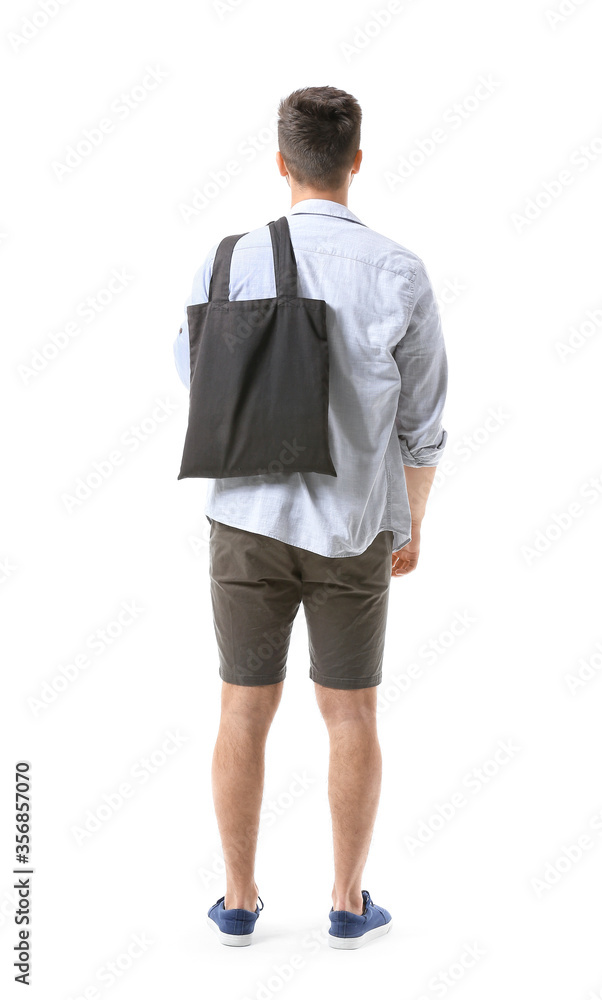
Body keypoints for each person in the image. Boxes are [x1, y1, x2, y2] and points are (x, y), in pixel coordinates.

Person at [173, 85, 448, 949]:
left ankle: (240, 900)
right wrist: (409, 522)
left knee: (241, 708)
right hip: (354, 527)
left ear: (282, 163)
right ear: (355, 161)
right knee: (351, 713)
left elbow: (198, 384)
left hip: (245, 522)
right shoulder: (399, 270)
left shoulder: (222, 261)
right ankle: (345, 901)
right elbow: (424, 422)